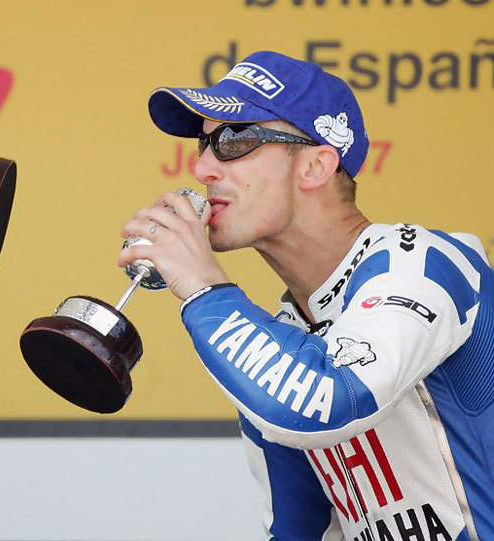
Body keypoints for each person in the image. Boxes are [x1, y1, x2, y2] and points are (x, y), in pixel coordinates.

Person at [119, 51, 492, 540]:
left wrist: (204, 288)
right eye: (203, 142)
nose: (203, 166)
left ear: (316, 165)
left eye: (233, 138)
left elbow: (330, 398)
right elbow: (301, 530)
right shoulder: (284, 339)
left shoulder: (424, 263)